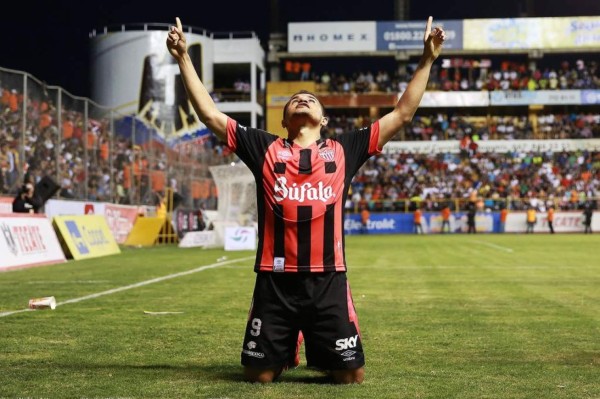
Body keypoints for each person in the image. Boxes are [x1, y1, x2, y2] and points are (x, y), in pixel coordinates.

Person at [167, 16, 445, 384]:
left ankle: (305, 340)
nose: (302, 99)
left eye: (310, 99)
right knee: (258, 376)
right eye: (296, 99)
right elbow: (210, 114)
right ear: (284, 121)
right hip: (274, 279)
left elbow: (403, 113)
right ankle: (283, 351)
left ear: (323, 119)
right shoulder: (264, 147)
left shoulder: (346, 148)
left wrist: (427, 59)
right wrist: (184, 57)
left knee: (350, 377)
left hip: (328, 279)